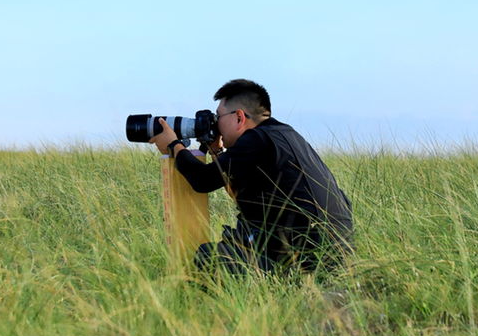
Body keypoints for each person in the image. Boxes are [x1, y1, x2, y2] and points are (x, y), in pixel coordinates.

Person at [149, 79, 353, 275]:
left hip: (300, 265)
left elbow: (202, 180)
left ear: (239, 117)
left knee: (209, 255)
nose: (215, 124)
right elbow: (244, 193)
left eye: (218, 117)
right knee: (236, 241)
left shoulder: (256, 139)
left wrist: (174, 145)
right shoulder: (286, 135)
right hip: (337, 261)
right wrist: (217, 153)